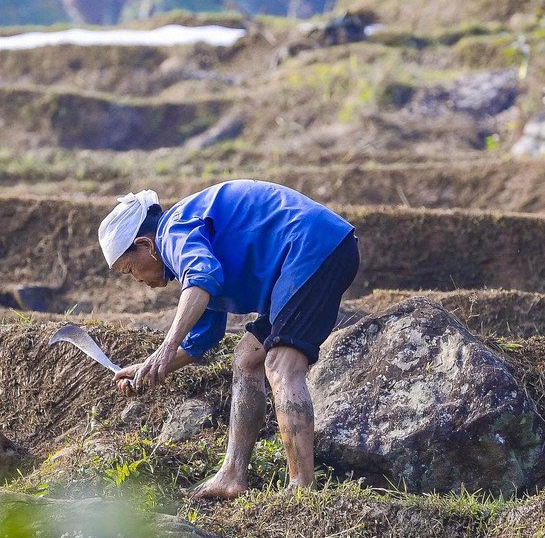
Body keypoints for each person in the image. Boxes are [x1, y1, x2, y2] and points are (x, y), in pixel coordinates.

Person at [98, 180, 359, 499]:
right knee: (247, 360)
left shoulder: (174, 232)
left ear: (145, 245)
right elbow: (202, 337)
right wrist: (150, 369)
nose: (137, 279)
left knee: (281, 365)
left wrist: (165, 348)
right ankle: (233, 475)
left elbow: (201, 279)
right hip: (309, 253)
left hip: (313, 248)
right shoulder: (187, 251)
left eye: (129, 270)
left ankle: (301, 491)